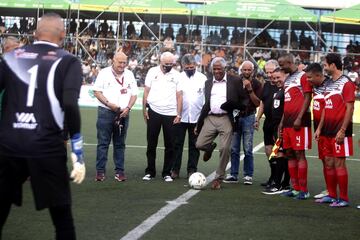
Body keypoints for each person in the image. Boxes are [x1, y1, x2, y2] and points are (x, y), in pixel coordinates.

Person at [0, 13, 85, 240]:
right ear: (64, 35)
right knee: (62, 219)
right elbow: (69, 103)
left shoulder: (11, 57)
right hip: (46, 145)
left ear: (35, 34)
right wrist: (77, 147)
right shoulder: (68, 61)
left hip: (8, 145)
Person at [195, 57, 247, 190]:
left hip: (226, 118)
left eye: (219, 68)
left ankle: (219, 178)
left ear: (225, 69)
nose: (217, 71)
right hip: (210, 118)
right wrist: (199, 123)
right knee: (199, 144)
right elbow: (206, 105)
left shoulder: (235, 81)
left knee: (225, 149)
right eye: (215, 69)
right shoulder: (208, 83)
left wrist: (235, 108)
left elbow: (244, 99)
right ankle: (210, 147)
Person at [315, 53, 355, 207]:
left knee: (339, 164)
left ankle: (343, 199)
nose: (324, 67)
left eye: (325, 65)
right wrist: (319, 128)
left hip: (339, 131)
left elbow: (350, 108)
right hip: (326, 131)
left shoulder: (346, 83)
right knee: (329, 163)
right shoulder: (328, 83)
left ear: (333, 65)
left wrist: (343, 130)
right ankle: (332, 195)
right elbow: (325, 107)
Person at [93, 51, 138, 182]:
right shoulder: (104, 73)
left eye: (124, 62)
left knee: (120, 144)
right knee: (103, 143)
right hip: (106, 112)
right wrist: (109, 104)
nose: (122, 65)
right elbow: (96, 91)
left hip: (124, 113)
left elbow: (134, 94)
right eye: (120, 62)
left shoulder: (129, 74)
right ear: (113, 60)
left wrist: (128, 108)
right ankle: (100, 172)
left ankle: (119, 172)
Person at [142, 51, 182, 182]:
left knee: (170, 145)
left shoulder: (177, 75)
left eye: (171, 64)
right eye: (166, 64)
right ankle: (150, 171)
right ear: (160, 62)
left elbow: (179, 95)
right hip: (153, 111)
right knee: (151, 143)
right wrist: (145, 109)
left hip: (170, 114)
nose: (168, 66)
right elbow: (146, 91)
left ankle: (167, 172)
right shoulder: (152, 72)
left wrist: (179, 113)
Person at [278, 53, 312, 200]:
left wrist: (299, 117)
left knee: (299, 154)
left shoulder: (303, 76)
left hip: (299, 122)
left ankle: (304, 190)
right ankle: (295, 188)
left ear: (290, 62)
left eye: (282, 65)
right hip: (287, 123)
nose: (281, 68)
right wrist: (281, 122)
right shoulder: (287, 79)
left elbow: (307, 96)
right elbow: (287, 103)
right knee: (289, 154)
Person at [224, 60, 262, 185]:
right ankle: (233, 174)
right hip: (235, 117)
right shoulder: (235, 81)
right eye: (244, 69)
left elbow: (257, 103)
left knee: (248, 148)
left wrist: (250, 89)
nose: (246, 72)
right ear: (241, 70)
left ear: (253, 71)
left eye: (248, 70)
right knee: (234, 148)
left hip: (249, 117)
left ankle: (248, 175)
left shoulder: (256, 83)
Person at [171, 54, 206, 179]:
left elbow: (205, 98)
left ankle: (192, 169)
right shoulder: (178, 78)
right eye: (187, 67)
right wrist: (178, 114)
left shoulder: (203, 78)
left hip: (197, 117)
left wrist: (204, 116)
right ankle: (175, 169)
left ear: (195, 65)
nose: (190, 69)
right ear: (183, 66)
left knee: (194, 145)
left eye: (192, 67)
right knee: (177, 144)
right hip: (180, 117)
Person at [262, 68, 290, 194]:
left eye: (279, 78)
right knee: (278, 154)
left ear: (286, 76)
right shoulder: (280, 90)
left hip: (281, 128)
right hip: (275, 127)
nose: (276, 80)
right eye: (274, 78)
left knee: (281, 154)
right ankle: (282, 184)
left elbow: (287, 110)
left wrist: (281, 126)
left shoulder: (287, 91)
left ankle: (279, 184)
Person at [304, 63, 330, 199]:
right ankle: (329, 189)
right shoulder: (315, 86)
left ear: (319, 75)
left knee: (330, 161)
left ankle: (331, 191)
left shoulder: (330, 86)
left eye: (310, 78)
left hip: (328, 129)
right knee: (324, 160)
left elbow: (328, 108)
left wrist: (320, 127)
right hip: (319, 129)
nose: (308, 80)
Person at [254, 59, 280, 187]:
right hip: (268, 123)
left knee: (278, 152)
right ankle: (273, 176)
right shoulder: (266, 85)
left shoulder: (282, 84)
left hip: (278, 124)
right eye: (267, 72)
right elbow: (263, 102)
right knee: (268, 150)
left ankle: (279, 179)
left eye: (272, 72)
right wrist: (258, 118)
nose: (269, 75)